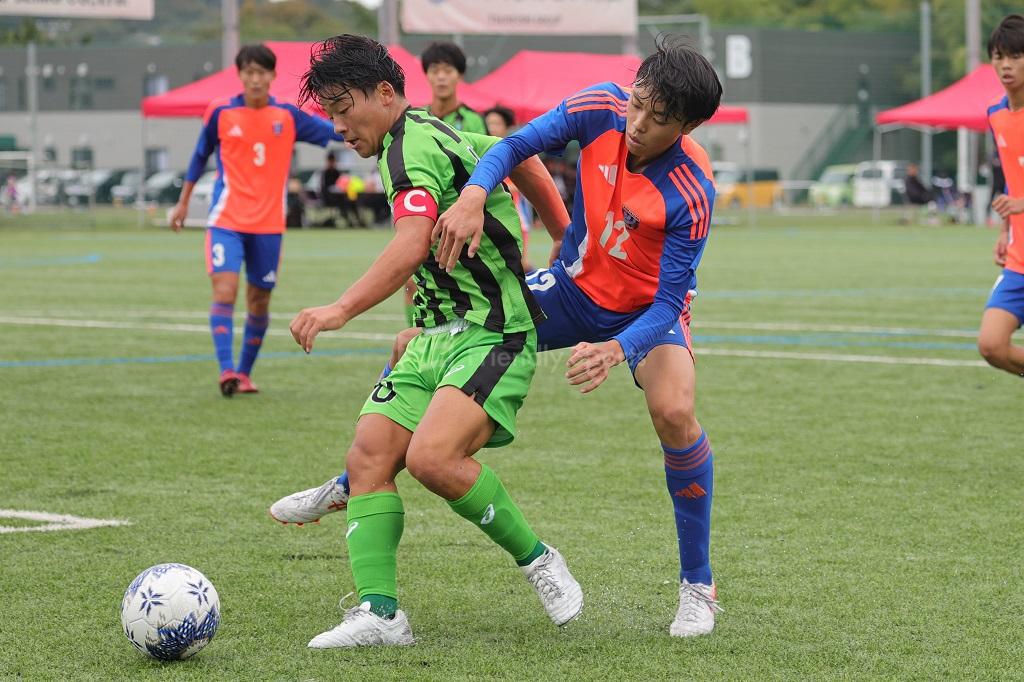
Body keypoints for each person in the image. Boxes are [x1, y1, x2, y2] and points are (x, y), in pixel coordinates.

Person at [271, 38, 726, 638]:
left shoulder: (692, 189)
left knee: (675, 411)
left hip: (646, 313)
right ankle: (354, 478)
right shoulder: (601, 107)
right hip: (572, 287)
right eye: (637, 103)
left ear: (687, 126)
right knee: (421, 340)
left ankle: (697, 585)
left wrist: (617, 350)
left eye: (658, 118)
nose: (637, 123)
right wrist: (478, 196)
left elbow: (668, 300)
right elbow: (514, 148)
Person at [284, 34, 581, 649]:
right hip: (431, 337)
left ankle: (539, 559)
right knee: (369, 459)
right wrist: (561, 230)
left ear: (384, 93)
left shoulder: (408, 149)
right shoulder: (430, 132)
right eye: (330, 114)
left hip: (493, 335)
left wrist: (340, 309)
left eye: (344, 109)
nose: (338, 127)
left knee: (433, 460)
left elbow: (412, 241)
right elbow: (517, 155)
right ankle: (381, 615)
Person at [170, 44, 342, 397]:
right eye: (249, 72)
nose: (255, 79)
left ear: (272, 75)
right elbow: (199, 156)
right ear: (240, 75)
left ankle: (243, 375)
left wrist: (356, 113)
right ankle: (226, 370)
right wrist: (183, 202)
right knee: (225, 291)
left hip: (268, 226)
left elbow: (335, 131)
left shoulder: (287, 116)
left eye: (261, 72)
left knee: (259, 302)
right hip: (226, 220)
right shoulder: (221, 112)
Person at [979, 14, 1024, 377]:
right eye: (999, 56)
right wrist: (1005, 229)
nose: (1006, 65)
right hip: (1019, 259)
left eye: (1016, 56)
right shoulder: (996, 114)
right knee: (991, 345)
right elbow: (1013, 177)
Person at [485, 105, 534, 270]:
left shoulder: (514, 151)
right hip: (490, 213)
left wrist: (503, 187)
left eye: (497, 123)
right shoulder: (481, 149)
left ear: (506, 127)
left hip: (514, 211)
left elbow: (524, 181)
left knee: (521, 263)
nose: (492, 127)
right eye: (489, 123)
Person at [422, 41, 488, 135]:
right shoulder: (416, 119)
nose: (441, 77)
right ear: (426, 75)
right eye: (434, 71)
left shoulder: (474, 121)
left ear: (460, 76)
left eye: (448, 71)